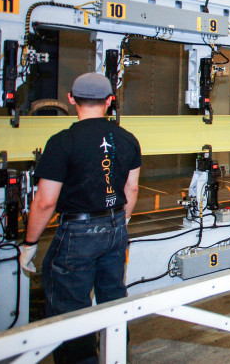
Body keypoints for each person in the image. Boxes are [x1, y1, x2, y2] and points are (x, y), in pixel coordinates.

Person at [19, 72, 141, 363]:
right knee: (114, 302)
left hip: (77, 232)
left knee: (69, 312)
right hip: (115, 228)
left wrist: (30, 243)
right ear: (110, 101)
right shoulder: (127, 139)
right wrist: (119, 222)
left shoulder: (62, 142)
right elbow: (131, 188)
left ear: (71, 99)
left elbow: (46, 202)